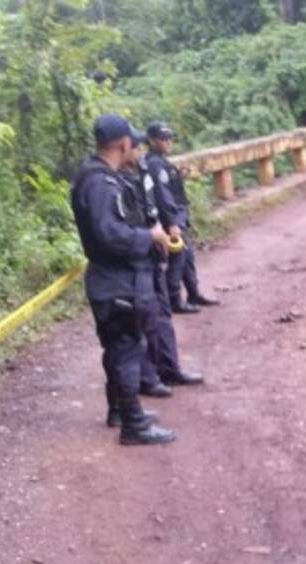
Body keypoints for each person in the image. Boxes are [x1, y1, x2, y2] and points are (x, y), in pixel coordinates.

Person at [69, 114, 177, 445]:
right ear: (122, 144)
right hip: (117, 279)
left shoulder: (99, 177)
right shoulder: (100, 183)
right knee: (128, 348)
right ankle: (134, 425)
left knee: (119, 347)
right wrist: (150, 236)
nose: (138, 148)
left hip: (113, 278)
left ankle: (121, 410)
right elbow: (108, 234)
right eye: (134, 142)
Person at [122, 133, 205, 392]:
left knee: (162, 315)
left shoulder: (143, 171)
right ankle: (148, 379)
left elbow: (156, 205)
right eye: (134, 147)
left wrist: (166, 226)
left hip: (153, 253)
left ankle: (169, 369)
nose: (138, 151)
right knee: (143, 321)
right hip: (134, 260)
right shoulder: (113, 182)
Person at [145, 121, 220, 313]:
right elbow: (163, 196)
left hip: (178, 216)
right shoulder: (155, 164)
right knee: (177, 260)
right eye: (163, 138)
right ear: (152, 140)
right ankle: (174, 300)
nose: (168, 141)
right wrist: (171, 223)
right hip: (171, 219)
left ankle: (194, 293)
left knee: (188, 257)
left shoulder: (161, 161)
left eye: (170, 137)